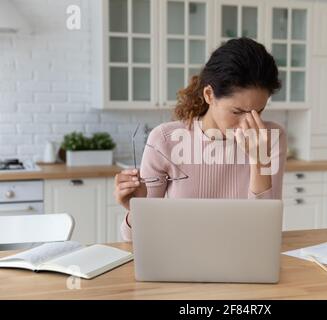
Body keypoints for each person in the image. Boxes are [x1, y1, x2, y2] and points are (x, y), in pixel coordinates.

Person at [114, 37, 287, 241]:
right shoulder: (165, 140)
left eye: (259, 111)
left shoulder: (271, 138)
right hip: (179, 262)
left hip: (243, 262)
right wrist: (137, 209)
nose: (247, 124)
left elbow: (264, 233)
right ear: (209, 95)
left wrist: (258, 161)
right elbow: (133, 239)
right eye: (237, 111)